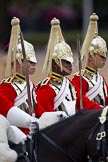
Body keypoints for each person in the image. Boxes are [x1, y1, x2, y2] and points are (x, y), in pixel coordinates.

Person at [0, 17, 67, 136]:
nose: (34, 64)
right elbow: (5, 113)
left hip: (33, 135)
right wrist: (29, 123)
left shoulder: (31, 86)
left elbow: (40, 112)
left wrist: (58, 117)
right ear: (19, 62)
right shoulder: (7, 87)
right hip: (16, 138)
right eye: (30, 61)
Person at [35, 17, 77, 118]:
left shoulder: (69, 84)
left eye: (70, 61)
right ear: (54, 63)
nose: (70, 65)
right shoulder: (45, 88)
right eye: (66, 62)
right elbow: (45, 119)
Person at [71, 13, 108, 110]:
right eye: (101, 56)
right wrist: (101, 110)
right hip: (88, 122)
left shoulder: (100, 78)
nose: (105, 59)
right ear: (91, 56)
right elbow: (79, 101)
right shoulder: (79, 79)